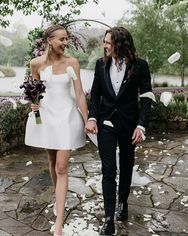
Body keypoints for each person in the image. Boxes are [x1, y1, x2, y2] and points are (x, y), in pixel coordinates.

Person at [85, 26, 152, 235]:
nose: (104, 45)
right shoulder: (99, 64)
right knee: (108, 170)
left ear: (120, 44)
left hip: (129, 124)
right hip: (105, 123)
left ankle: (123, 202)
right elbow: (95, 94)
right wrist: (92, 117)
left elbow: (146, 96)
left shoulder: (140, 66)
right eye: (105, 42)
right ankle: (108, 219)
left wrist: (141, 125)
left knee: (126, 164)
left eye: (108, 42)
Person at [25, 25, 88, 236]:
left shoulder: (72, 63)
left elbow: (79, 95)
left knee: (62, 166)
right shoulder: (36, 64)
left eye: (66, 39)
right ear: (49, 40)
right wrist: (32, 104)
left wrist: (88, 121)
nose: (65, 43)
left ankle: (59, 223)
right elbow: (34, 92)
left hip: (67, 117)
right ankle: (58, 197)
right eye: (61, 39)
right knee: (52, 162)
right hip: (47, 117)